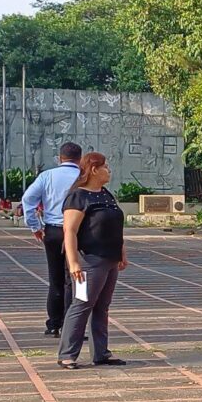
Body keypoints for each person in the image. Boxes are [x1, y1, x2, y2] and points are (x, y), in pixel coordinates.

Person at [57, 152, 127, 370]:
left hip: (110, 258)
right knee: (82, 304)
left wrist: (122, 252)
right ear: (94, 170)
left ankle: (101, 352)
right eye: (105, 167)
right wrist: (74, 262)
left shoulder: (106, 195)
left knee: (102, 307)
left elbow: (115, 226)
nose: (109, 171)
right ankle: (67, 354)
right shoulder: (78, 196)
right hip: (89, 260)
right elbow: (69, 230)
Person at [22, 142, 82, 338]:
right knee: (77, 279)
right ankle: (73, 325)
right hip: (79, 232)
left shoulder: (47, 176)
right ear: (80, 159)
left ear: (60, 158)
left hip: (53, 231)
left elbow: (28, 200)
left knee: (55, 278)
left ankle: (54, 323)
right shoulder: (84, 177)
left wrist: (35, 226)